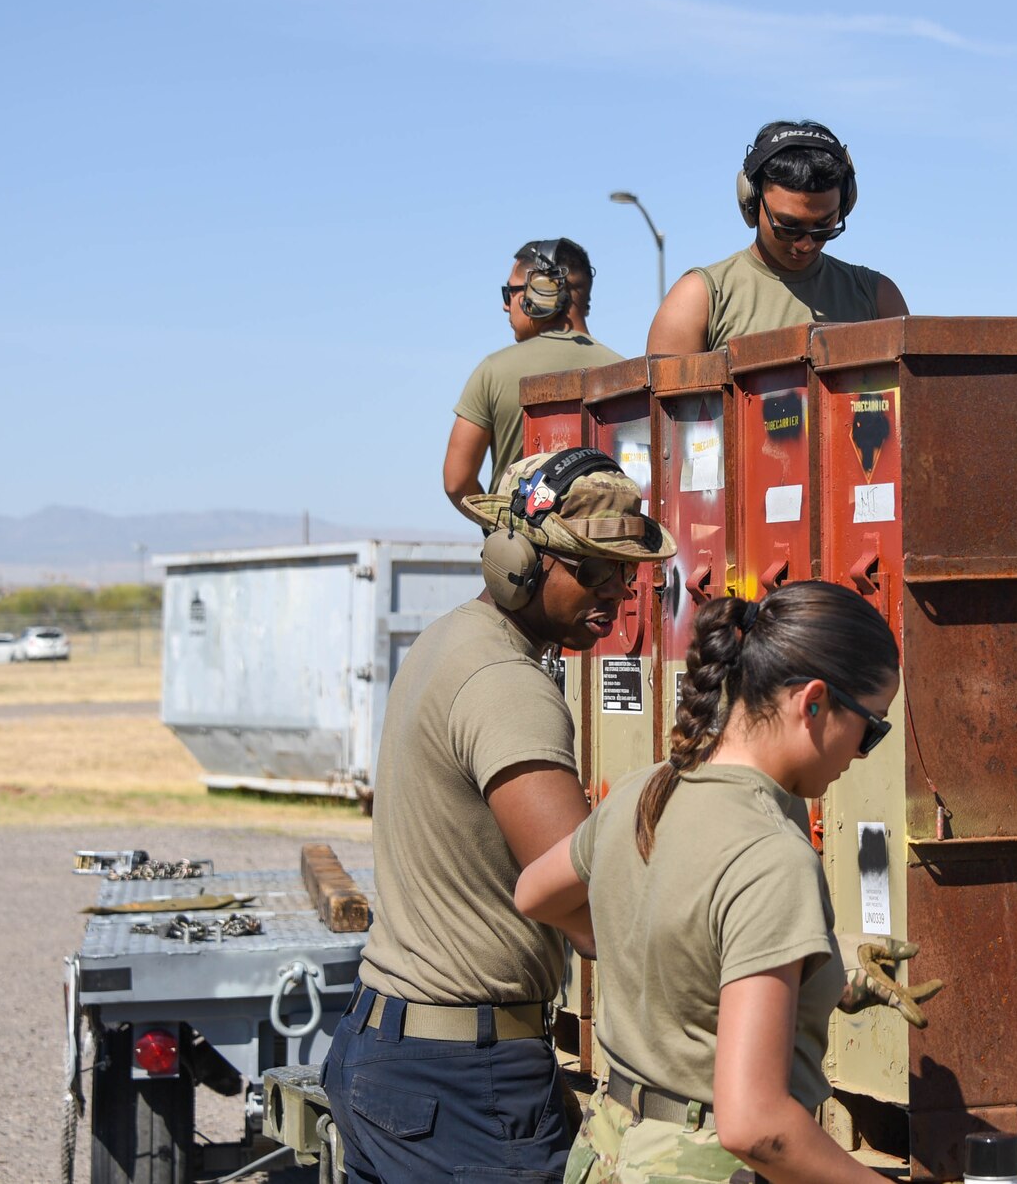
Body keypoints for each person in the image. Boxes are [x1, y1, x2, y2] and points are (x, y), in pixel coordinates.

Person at [324, 447, 676, 1184]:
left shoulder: (449, 638)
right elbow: (587, 905)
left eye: (626, 572)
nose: (615, 592)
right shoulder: (506, 686)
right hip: (461, 1083)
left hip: (399, 1053)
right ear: (516, 561)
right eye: (591, 569)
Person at [516, 583, 943, 1184]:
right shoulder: (772, 856)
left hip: (607, 1151)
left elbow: (534, 893)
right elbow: (756, 1126)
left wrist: (637, 939)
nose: (864, 754)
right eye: (871, 728)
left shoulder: (645, 793)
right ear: (814, 703)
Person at [646, 121, 909, 355]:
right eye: (788, 226)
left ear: (846, 204)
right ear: (751, 203)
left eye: (824, 226)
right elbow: (665, 410)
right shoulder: (699, 299)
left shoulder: (878, 298)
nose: (806, 244)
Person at [445, 238, 622, 514]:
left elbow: (456, 482)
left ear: (542, 291)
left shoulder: (493, 371)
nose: (506, 306)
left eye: (510, 293)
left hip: (519, 550)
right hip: (610, 548)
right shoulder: (623, 372)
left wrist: (499, 525)